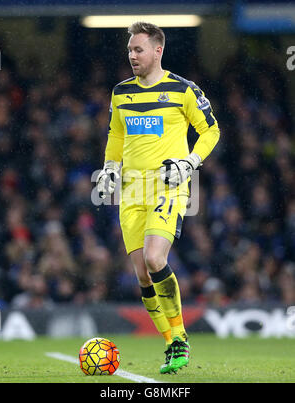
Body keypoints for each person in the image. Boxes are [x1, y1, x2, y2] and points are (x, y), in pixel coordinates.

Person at [96, 22, 220, 374]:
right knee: (142, 276)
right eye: (130, 51)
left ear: (157, 51)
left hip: (168, 186)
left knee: (154, 258)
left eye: (138, 50)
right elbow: (115, 136)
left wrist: (189, 162)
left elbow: (211, 130)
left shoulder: (183, 90)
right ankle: (171, 343)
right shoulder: (121, 92)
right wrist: (109, 167)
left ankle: (180, 338)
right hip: (131, 191)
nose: (132, 56)